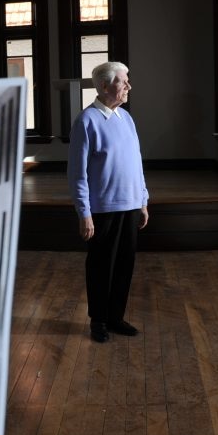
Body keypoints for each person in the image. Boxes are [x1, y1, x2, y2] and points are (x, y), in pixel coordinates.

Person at [67, 61, 149, 343]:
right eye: (123, 81)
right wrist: (84, 213)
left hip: (130, 205)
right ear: (104, 85)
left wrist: (143, 199)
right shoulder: (86, 121)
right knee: (101, 266)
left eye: (127, 81)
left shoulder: (126, 119)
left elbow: (136, 162)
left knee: (125, 264)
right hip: (103, 209)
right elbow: (77, 174)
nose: (128, 86)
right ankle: (98, 320)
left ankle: (115, 316)